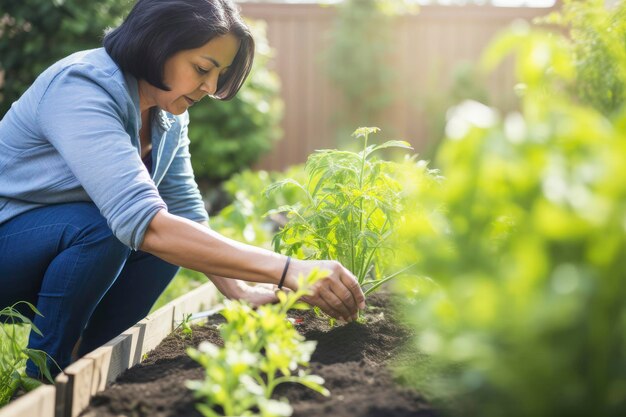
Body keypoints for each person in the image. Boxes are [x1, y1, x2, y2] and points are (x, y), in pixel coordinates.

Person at [0, 0, 365, 378]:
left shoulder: (167, 118)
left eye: (218, 74)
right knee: (107, 227)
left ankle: (97, 373)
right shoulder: (81, 85)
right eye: (202, 69)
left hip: (55, 260)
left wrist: (239, 290)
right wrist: (288, 269)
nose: (210, 87)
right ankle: (43, 381)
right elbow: (143, 220)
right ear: (158, 43)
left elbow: (187, 214)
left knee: (169, 242)